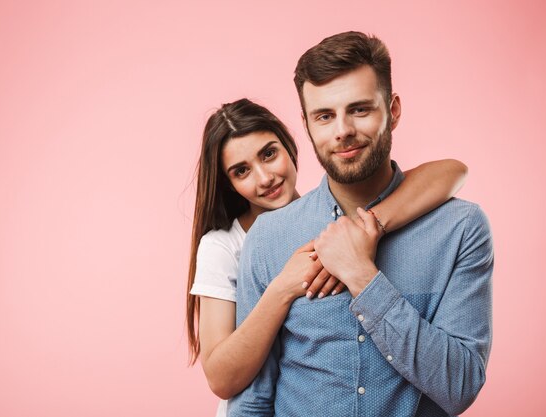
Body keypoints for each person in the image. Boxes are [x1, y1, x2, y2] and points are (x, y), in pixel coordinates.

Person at [228, 32, 494, 417]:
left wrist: (363, 278)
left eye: (360, 110)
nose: (342, 131)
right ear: (306, 124)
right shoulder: (268, 239)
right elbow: (253, 400)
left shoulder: (461, 228)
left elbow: (460, 387)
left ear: (393, 110)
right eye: (324, 116)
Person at [186, 99, 468, 417]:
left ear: (291, 144)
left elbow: (453, 171)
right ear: (230, 184)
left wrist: (364, 229)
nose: (265, 178)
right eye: (242, 171)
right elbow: (221, 378)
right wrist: (283, 287)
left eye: (269, 153)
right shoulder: (223, 247)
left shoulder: (331, 218)